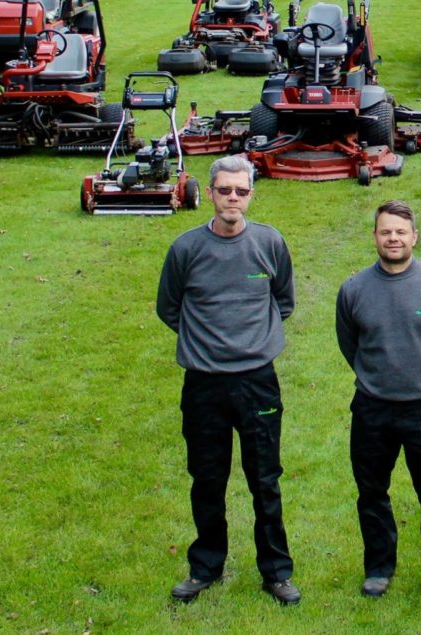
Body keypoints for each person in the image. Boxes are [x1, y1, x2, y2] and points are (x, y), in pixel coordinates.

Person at [157, 155, 301, 607]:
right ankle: (206, 568)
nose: (232, 198)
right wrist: (207, 342)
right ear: (211, 193)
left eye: (241, 191)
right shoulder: (186, 249)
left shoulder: (270, 244)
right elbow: (169, 308)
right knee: (207, 478)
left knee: (265, 480)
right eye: (224, 191)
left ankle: (276, 572)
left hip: (257, 381)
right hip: (203, 384)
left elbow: (284, 301)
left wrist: (252, 343)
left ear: (251, 194)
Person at [335, 201, 421, 602]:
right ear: (375, 237)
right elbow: (349, 344)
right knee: (372, 492)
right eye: (385, 231)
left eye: (400, 231)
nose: (393, 238)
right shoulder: (354, 289)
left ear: (414, 237)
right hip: (373, 409)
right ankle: (378, 568)